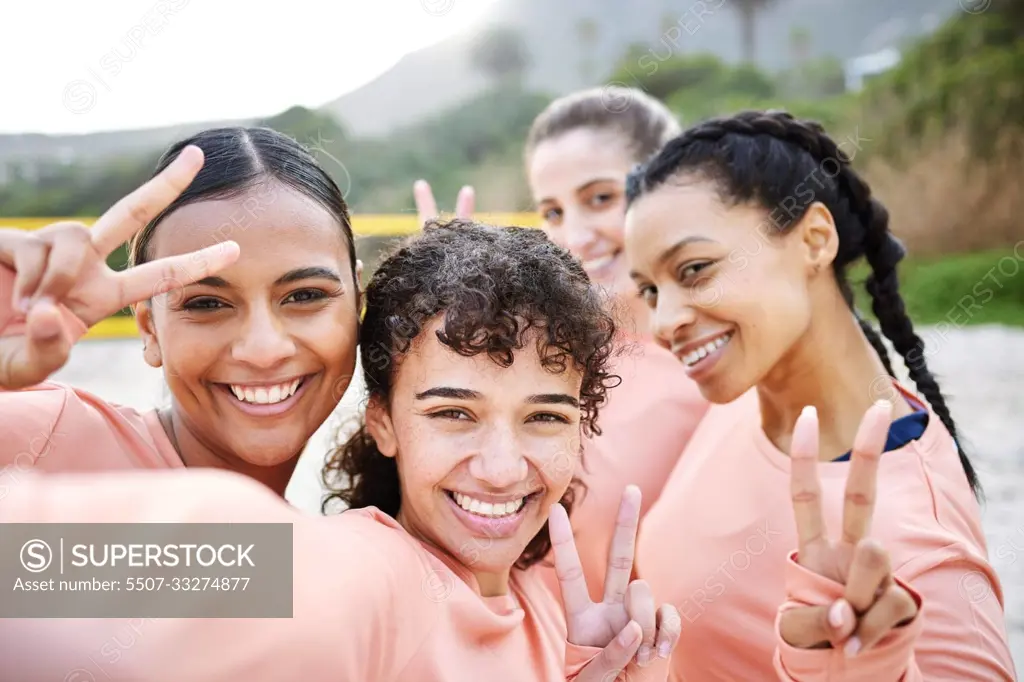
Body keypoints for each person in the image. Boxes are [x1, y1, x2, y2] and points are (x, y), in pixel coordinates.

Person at [0, 219, 681, 682]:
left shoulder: (546, 594)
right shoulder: (380, 577)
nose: (502, 469)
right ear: (381, 421)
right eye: (452, 412)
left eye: (545, 417)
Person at [624, 110, 1015, 680]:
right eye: (650, 290)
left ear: (814, 239)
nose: (665, 321)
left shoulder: (911, 541)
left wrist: (870, 670)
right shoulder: (745, 393)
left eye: (695, 269)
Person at [415, 87, 710, 608]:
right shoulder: (538, 356)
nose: (575, 234)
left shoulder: (720, 373)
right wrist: (437, 323)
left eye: (601, 198)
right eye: (552, 212)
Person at [0, 127, 362, 496]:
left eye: (304, 296)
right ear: (150, 329)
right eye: (206, 303)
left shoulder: (347, 538)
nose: (263, 350)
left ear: (360, 303)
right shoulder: (50, 439)